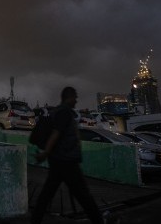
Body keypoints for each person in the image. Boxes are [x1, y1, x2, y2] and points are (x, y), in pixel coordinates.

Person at [30, 87, 106, 224]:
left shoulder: (59, 111)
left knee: (47, 195)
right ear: (68, 97)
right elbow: (56, 133)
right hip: (66, 161)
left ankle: (35, 220)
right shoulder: (64, 112)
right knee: (83, 195)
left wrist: (46, 154)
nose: (76, 100)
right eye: (75, 97)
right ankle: (99, 221)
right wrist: (45, 153)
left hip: (59, 161)